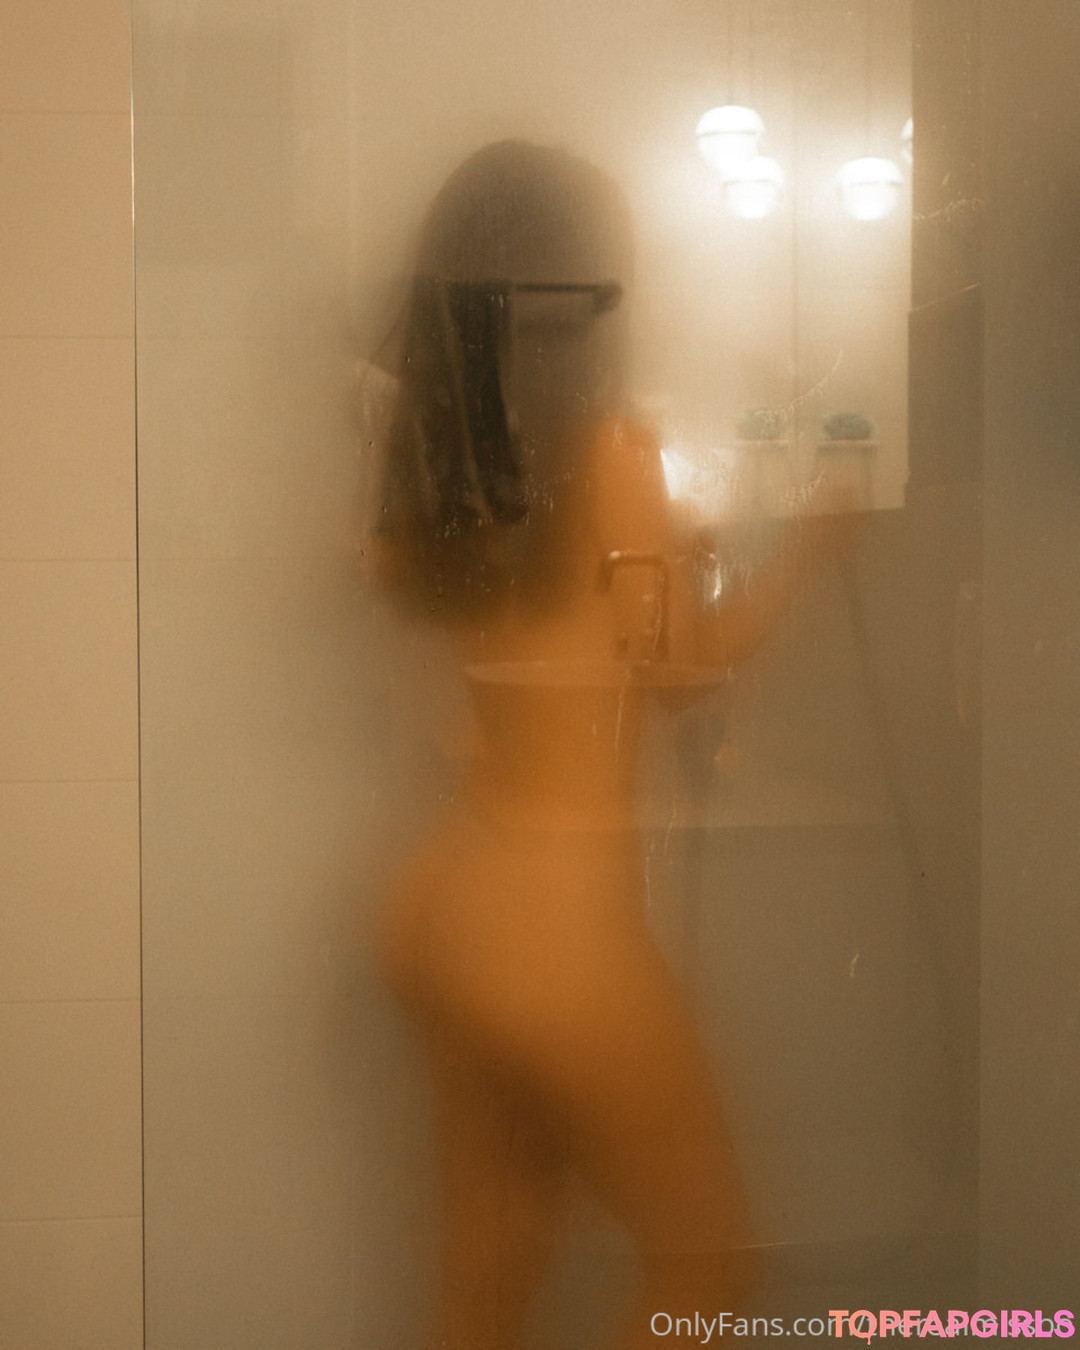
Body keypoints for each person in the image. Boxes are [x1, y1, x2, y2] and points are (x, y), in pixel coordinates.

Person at [371, 140, 852, 1350]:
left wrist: (648, 569)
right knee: (710, 1265)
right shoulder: (611, 454)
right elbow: (684, 675)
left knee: (489, 1267)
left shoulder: (441, 467)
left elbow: (523, 637)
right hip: (556, 924)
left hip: (445, 899)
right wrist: (812, 547)